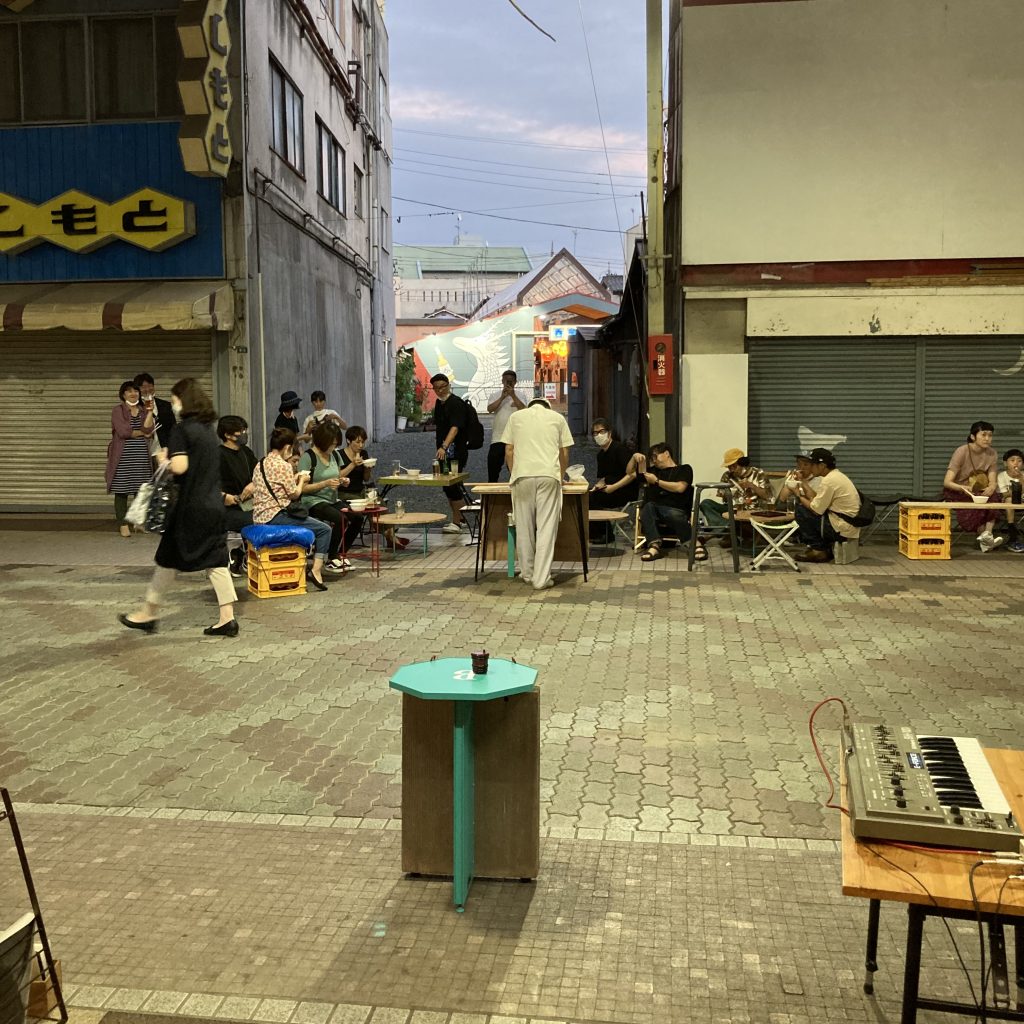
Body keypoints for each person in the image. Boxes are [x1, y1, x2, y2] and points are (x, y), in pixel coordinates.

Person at [118, 379, 238, 637]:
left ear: (184, 401)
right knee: (216, 560)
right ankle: (227, 618)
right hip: (213, 506)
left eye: (174, 400)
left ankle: (148, 613)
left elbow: (181, 467)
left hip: (190, 509)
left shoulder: (182, 430)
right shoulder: (208, 430)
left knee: (167, 559)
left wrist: (164, 459)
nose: (173, 405)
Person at [500, 397, 573, 590]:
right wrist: (560, 475)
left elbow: (509, 450)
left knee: (523, 527)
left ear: (530, 405)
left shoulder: (516, 417)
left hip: (522, 475)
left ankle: (527, 574)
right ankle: (541, 579)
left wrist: (514, 473)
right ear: (547, 407)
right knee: (546, 528)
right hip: (548, 475)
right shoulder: (557, 418)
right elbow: (564, 452)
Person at [250, 427, 332, 590]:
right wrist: (302, 480)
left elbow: (275, 486)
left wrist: (295, 479)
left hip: (258, 517)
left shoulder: (260, 463)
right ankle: (316, 571)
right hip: (276, 516)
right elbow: (294, 494)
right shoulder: (284, 465)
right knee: (325, 529)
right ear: (287, 447)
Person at [299, 420, 364, 573]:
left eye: (335, 444)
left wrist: (342, 481)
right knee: (340, 519)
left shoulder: (334, 454)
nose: (334, 447)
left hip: (332, 499)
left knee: (357, 517)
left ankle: (341, 553)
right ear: (322, 441)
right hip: (313, 500)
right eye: (332, 444)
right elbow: (302, 488)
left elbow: (337, 475)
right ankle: (331, 556)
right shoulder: (308, 457)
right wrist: (325, 483)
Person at [789, 447, 861, 563]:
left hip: (841, 528)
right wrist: (803, 482)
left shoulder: (829, 481)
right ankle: (823, 548)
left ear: (822, 466)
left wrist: (798, 495)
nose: (810, 468)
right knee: (807, 508)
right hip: (845, 524)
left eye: (812, 465)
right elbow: (816, 499)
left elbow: (815, 509)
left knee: (801, 510)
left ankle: (818, 550)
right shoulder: (836, 476)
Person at [943, 420, 1004, 553]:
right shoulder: (962, 451)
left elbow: (992, 478)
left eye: (990, 435)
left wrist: (992, 486)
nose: (987, 438)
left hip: (979, 489)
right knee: (975, 504)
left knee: (993, 497)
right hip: (959, 490)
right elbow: (947, 482)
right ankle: (987, 540)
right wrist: (963, 488)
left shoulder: (992, 453)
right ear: (973, 436)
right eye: (983, 435)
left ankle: (987, 535)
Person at [105, 379, 156, 538]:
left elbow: (149, 429)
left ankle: (138, 522)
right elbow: (123, 432)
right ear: (123, 394)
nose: (133, 394)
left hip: (141, 455)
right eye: (129, 391)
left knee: (140, 490)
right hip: (122, 456)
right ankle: (123, 524)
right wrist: (142, 433)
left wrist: (149, 412)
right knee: (121, 490)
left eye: (135, 391)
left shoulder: (143, 410)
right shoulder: (117, 410)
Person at [698, 447, 774, 548]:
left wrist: (752, 486)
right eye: (729, 467)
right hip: (733, 509)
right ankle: (728, 529)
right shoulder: (727, 476)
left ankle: (726, 534)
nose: (731, 469)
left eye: (733, 466)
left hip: (752, 510)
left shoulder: (758, 473)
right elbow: (722, 496)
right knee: (706, 503)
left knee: (735, 519)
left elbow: (767, 496)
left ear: (742, 463)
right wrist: (727, 492)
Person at [636, 443, 695, 562]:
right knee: (647, 507)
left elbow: (680, 488)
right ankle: (654, 546)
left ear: (667, 453)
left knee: (669, 513)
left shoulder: (684, 469)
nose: (654, 460)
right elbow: (631, 473)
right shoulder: (653, 471)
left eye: (655, 456)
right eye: (651, 458)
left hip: (676, 510)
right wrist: (634, 458)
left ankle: (694, 543)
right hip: (655, 511)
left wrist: (657, 481)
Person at [217, 415, 258, 577]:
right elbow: (208, 486)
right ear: (227, 435)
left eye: (245, 430)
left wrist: (253, 484)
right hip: (227, 509)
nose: (244, 434)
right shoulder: (217, 455)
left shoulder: (246, 452)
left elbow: (260, 474)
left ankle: (241, 553)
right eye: (241, 431)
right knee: (256, 520)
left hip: (249, 504)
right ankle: (244, 554)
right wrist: (226, 497)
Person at [431, 373, 471, 534]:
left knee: (452, 484)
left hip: (455, 451)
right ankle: (459, 519)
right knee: (447, 485)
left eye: (443, 386)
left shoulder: (455, 403)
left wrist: (444, 446)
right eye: (436, 388)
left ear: (448, 385)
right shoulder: (439, 403)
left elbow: (455, 428)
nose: (440, 390)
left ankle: (458, 521)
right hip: (444, 452)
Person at [486, 370, 525, 482]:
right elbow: (490, 409)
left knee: (516, 471)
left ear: (515, 382)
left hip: (516, 438)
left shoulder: (521, 395)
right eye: (506, 381)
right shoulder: (495, 395)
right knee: (493, 469)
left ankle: (517, 490)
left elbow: (524, 409)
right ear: (502, 381)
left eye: (511, 381)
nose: (508, 383)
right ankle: (492, 491)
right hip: (498, 437)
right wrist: (502, 397)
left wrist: (513, 395)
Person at [134, 372, 176, 451]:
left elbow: (173, 428)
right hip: (143, 451)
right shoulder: (134, 408)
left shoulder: (165, 405)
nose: (147, 389)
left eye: (150, 386)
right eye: (143, 387)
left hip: (164, 451)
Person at [996, 448, 1024, 553]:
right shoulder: (1002, 476)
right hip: (1008, 505)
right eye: (1012, 460)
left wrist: (1021, 479)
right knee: (1009, 499)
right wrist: (1016, 488)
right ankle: (1012, 532)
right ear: (1005, 463)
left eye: (1019, 461)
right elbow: (1004, 494)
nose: (1016, 463)